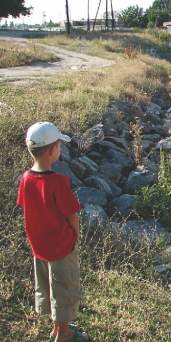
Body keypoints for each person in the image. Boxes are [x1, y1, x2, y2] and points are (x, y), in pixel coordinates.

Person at [17, 122, 90, 342]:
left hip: (39, 248)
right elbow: (72, 215)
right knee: (64, 288)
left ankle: (56, 328)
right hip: (61, 247)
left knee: (49, 287)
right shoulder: (59, 182)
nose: (59, 150)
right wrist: (75, 237)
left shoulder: (25, 179)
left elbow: (26, 207)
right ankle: (64, 334)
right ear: (51, 151)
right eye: (58, 146)